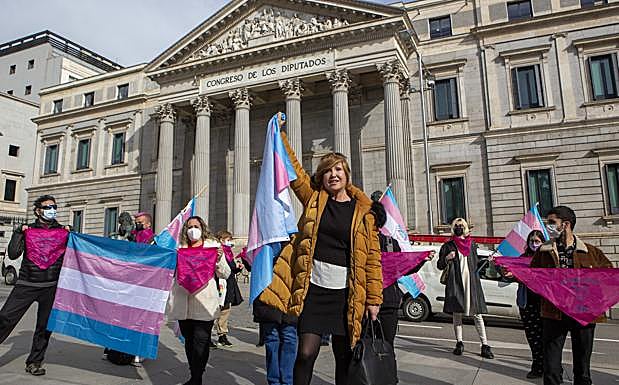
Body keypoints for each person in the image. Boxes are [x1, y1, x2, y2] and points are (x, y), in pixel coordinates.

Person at [259, 115, 383, 385]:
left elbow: (373, 260)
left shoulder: (364, 213)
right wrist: (279, 136)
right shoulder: (314, 199)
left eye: (338, 170)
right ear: (322, 176)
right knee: (305, 353)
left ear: (347, 176)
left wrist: (373, 300)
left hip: (346, 291)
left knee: (344, 355)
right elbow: (294, 173)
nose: (333, 175)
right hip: (314, 288)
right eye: (328, 170)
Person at [531, 206, 612, 385]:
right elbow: (532, 277)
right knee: (551, 369)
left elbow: (609, 277)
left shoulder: (591, 252)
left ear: (566, 224)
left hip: (583, 315)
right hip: (553, 314)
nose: (548, 227)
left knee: (582, 370)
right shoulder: (543, 252)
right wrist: (512, 274)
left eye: (552, 223)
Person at [0, 195, 70, 376]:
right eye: (47, 207)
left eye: (54, 206)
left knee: (44, 327)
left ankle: (35, 362)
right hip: (26, 284)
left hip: (51, 286)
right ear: (38, 210)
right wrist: (18, 233)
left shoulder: (63, 231)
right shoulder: (28, 230)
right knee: (5, 319)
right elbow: (14, 255)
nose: (52, 209)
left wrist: (71, 234)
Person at [167, 216, 231, 385]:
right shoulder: (179, 248)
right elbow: (170, 271)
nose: (192, 229)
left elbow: (225, 273)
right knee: (189, 341)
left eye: (196, 226)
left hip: (205, 303)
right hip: (183, 302)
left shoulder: (213, 247)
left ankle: (197, 378)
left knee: (201, 341)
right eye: (189, 226)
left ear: (202, 228)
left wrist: (218, 260)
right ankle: (193, 372)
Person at [438, 218, 494, 359]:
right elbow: (439, 265)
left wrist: (487, 261)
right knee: (457, 314)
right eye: (456, 226)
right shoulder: (448, 246)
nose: (458, 227)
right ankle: (459, 343)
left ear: (466, 227)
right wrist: (447, 258)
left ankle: (485, 345)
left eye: (461, 225)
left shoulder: (472, 244)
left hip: (472, 283)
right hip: (456, 283)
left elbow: (478, 263)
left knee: (477, 314)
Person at [502, 230, 545, 378]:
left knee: (547, 338)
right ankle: (537, 366)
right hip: (527, 303)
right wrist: (509, 274)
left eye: (537, 241)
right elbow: (512, 274)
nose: (534, 244)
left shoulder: (546, 258)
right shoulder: (522, 258)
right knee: (533, 337)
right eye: (531, 241)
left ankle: (551, 366)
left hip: (545, 304)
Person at [254, 295, 298, 385]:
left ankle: (284, 381)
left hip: (288, 301)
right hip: (269, 302)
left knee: (285, 339)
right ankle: (279, 381)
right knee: (276, 340)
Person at [214, 230, 244, 347]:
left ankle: (222, 334)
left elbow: (231, 268)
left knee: (226, 310)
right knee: (217, 309)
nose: (230, 241)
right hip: (220, 284)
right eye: (228, 239)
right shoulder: (219, 251)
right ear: (221, 240)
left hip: (229, 284)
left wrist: (238, 267)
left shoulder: (229, 252)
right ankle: (211, 334)